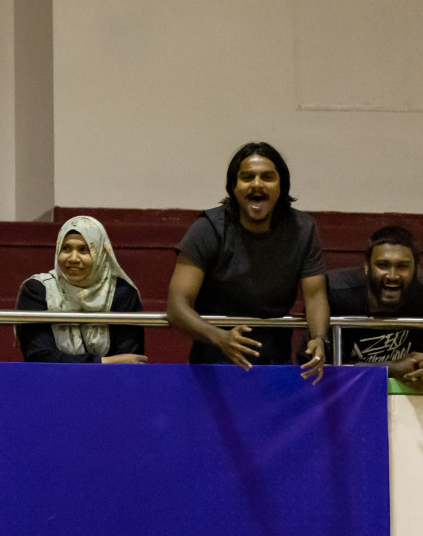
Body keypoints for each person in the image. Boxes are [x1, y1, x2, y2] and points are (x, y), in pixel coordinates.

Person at [166, 141, 327, 378]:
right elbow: (176, 306)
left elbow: (315, 297)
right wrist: (219, 336)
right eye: (247, 177)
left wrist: (319, 339)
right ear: (233, 187)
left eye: (267, 177)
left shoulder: (303, 229)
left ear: (282, 186)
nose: (257, 184)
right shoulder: (208, 228)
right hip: (212, 362)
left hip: (275, 359)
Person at [16, 215, 147, 364]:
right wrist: (103, 362)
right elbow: (39, 357)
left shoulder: (121, 292)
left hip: (110, 383)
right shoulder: (38, 290)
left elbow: (128, 360)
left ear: (100, 253)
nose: (73, 258)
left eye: (84, 250)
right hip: (52, 381)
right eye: (65, 249)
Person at [326, 225, 423, 388]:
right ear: (366, 266)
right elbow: (316, 368)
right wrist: (391, 368)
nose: (392, 276)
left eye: (402, 266)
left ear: (416, 269)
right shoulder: (336, 293)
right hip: (350, 396)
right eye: (383, 265)